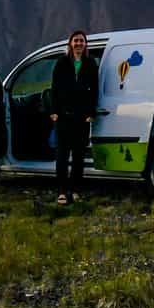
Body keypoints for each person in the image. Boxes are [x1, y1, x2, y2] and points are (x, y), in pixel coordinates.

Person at [49, 29, 98, 205]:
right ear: (70, 44)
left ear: (85, 44)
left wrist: (91, 113)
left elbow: (95, 89)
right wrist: (53, 111)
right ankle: (62, 191)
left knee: (78, 157)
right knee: (62, 156)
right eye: (75, 41)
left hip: (81, 118)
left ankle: (76, 190)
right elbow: (54, 88)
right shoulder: (61, 63)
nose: (78, 43)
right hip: (63, 116)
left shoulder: (90, 63)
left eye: (81, 41)